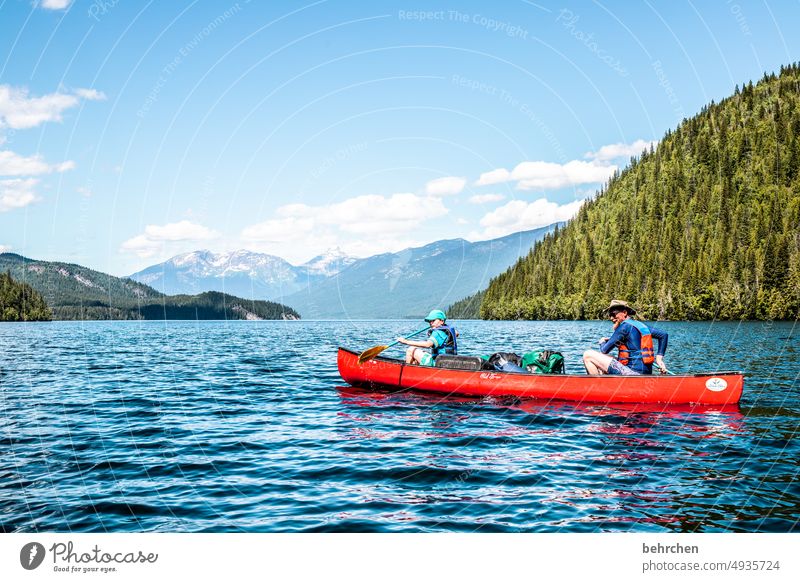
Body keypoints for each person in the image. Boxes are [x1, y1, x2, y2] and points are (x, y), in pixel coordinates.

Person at [583, 300, 669, 376]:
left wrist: (602, 341)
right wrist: (659, 359)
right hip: (644, 373)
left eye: (613, 314)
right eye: (609, 315)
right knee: (607, 358)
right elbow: (663, 335)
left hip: (632, 374)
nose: (611, 318)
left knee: (588, 355)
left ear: (624, 313)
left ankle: (596, 388)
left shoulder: (623, 327)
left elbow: (604, 350)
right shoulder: (640, 326)